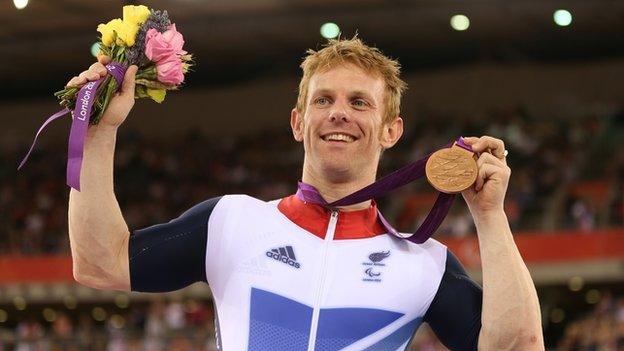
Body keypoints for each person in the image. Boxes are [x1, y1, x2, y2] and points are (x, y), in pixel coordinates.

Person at [66, 37, 544, 350]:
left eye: (359, 102)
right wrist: (97, 130)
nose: (339, 114)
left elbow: (521, 347)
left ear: (391, 131)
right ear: (299, 123)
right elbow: (99, 261)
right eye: (323, 100)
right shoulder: (232, 223)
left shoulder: (424, 263)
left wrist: (489, 215)